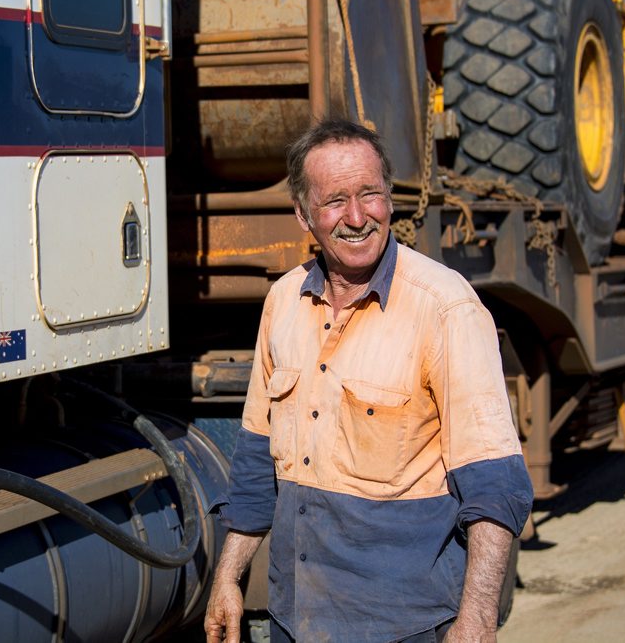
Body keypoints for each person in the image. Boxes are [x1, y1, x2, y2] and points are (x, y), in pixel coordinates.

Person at [204, 119, 534, 643]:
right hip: (297, 619)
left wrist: (477, 618)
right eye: (335, 201)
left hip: (407, 624)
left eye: (370, 194)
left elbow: (494, 485)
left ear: (390, 198)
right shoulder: (282, 303)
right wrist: (227, 577)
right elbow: (255, 466)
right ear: (303, 214)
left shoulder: (444, 306)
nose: (357, 218)